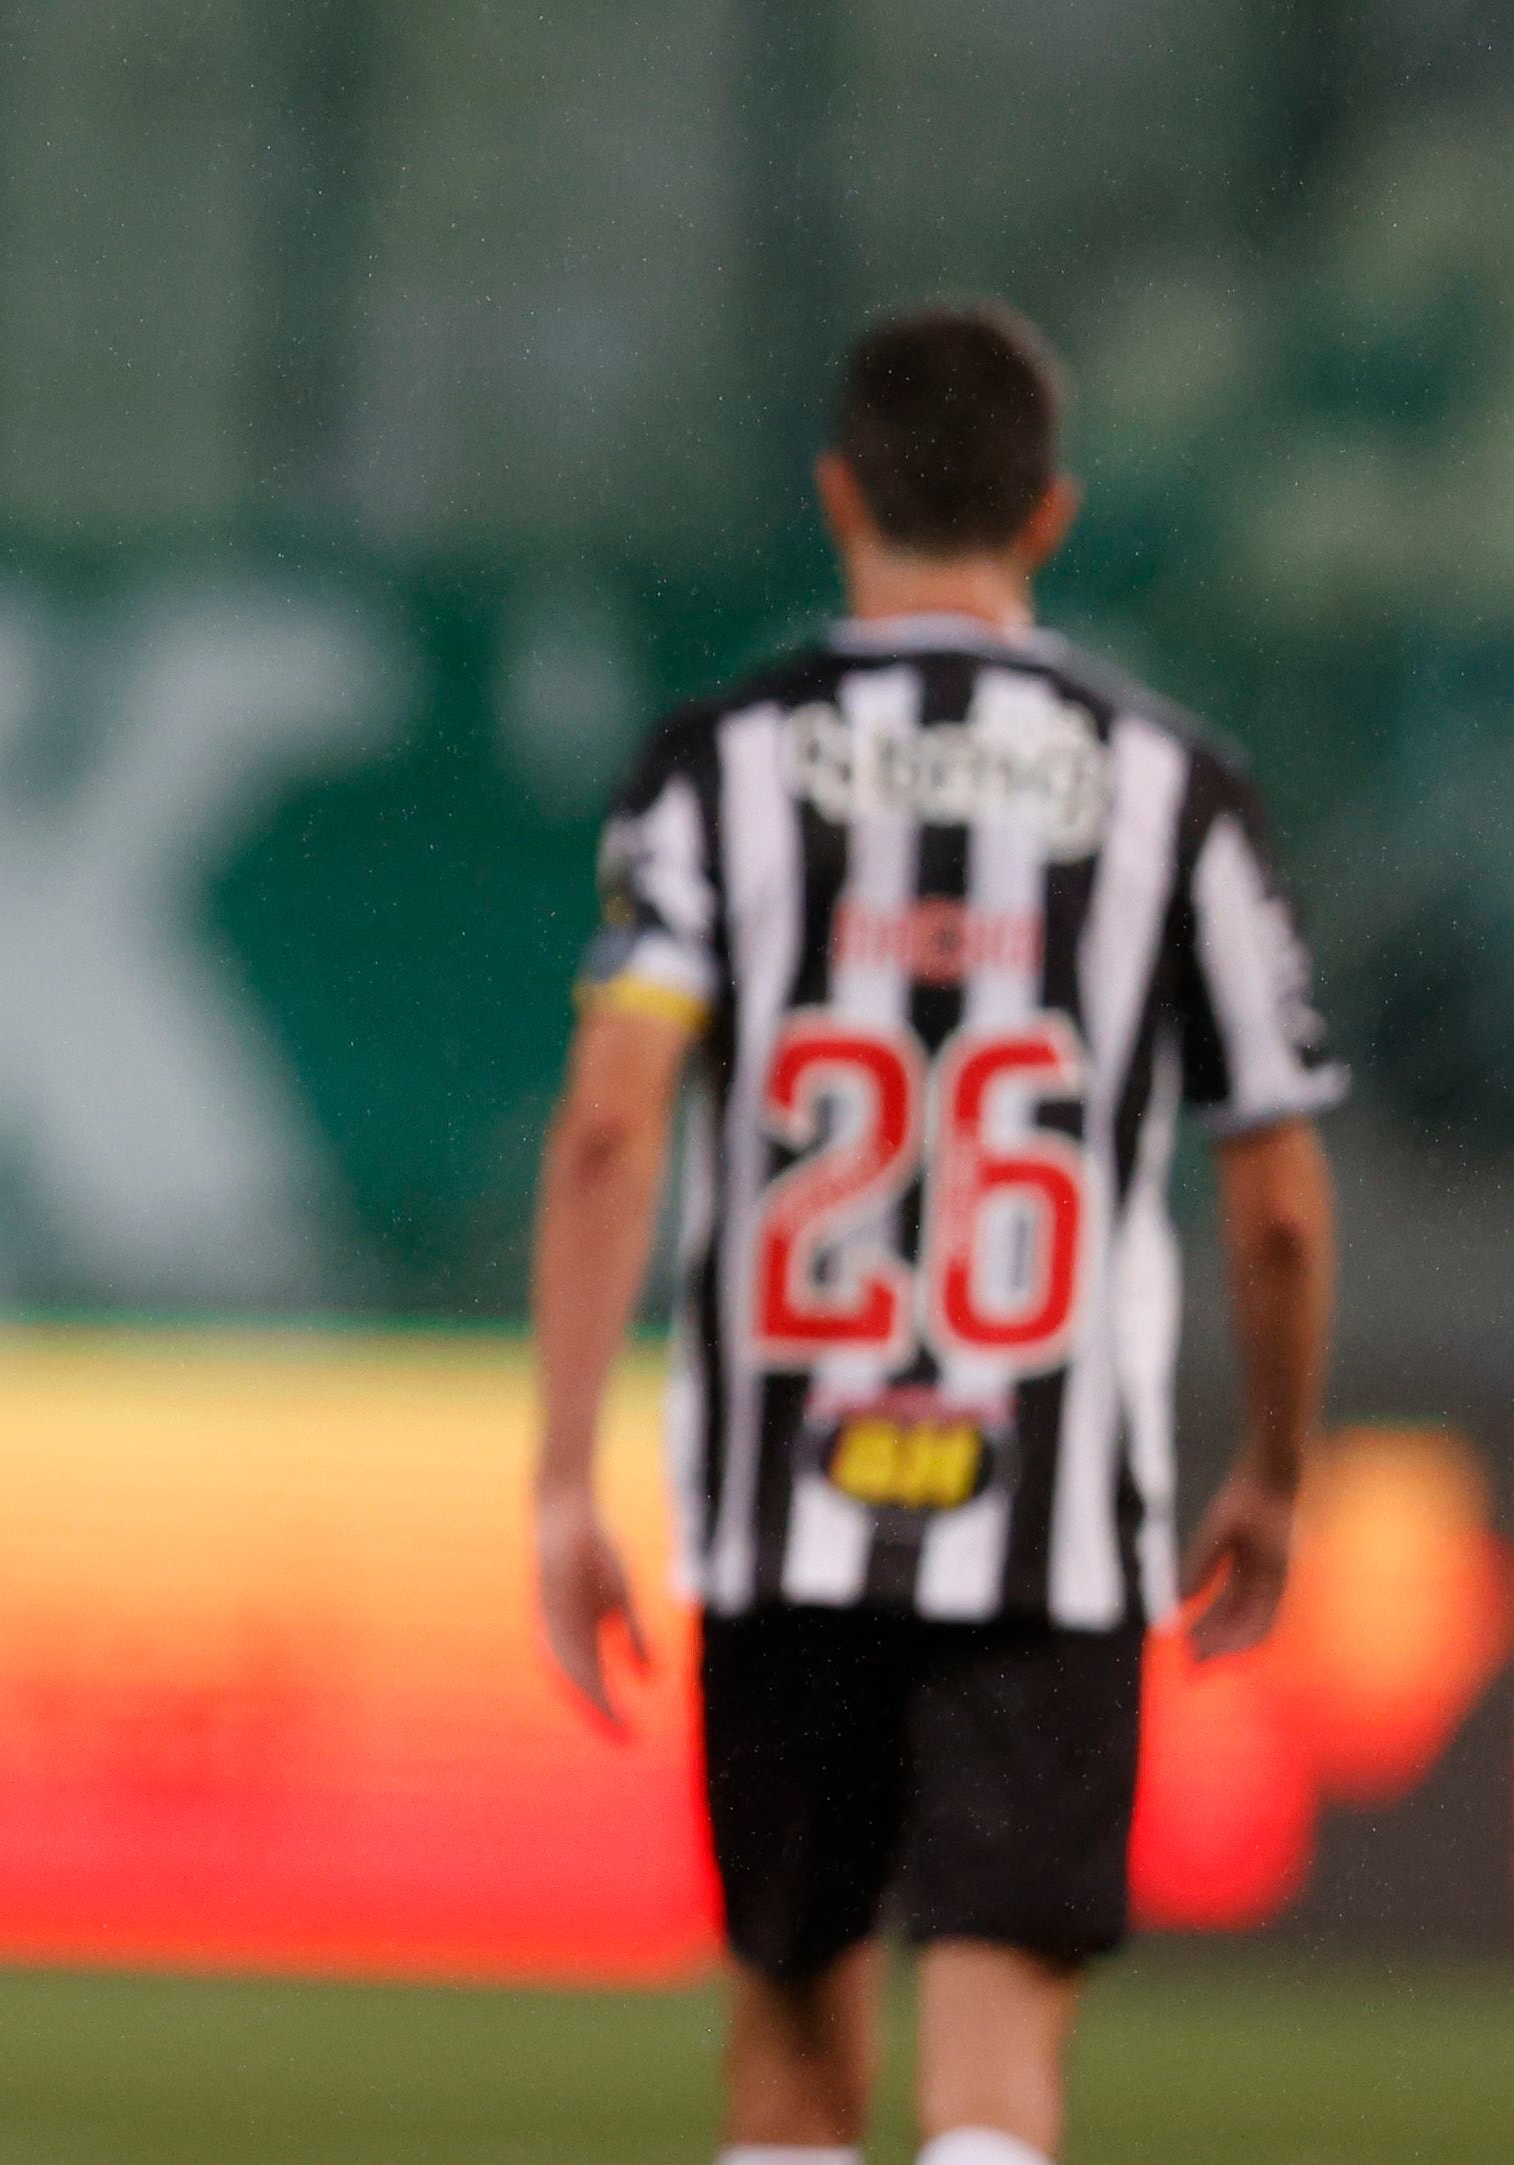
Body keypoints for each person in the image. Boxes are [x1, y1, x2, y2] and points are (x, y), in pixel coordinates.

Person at [528, 300, 1341, 2165]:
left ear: (838, 498)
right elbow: (1278, 1202)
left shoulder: (716, 764)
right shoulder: (1176, 792)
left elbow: (605, 1133)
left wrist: (567, 1472)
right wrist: (1278, 1467)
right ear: (1049, 515)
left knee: (794, 2062)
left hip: (783, 1502)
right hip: (1052, 1527)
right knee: (996, 2075)